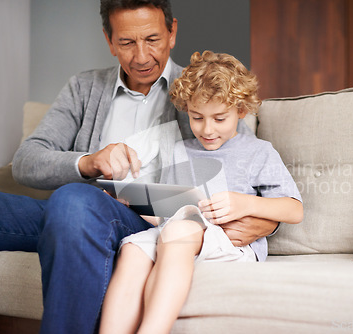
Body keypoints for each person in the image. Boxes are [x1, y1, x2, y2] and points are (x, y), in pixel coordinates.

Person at [0, 1, 279, 333]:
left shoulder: (200, 92)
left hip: (148, 220)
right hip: (73, 217)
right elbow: (27, 161)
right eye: (127, 42)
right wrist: (88, 162)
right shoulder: (84, 88)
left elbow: (245, 166)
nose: (141, 56)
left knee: (74, 200)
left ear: (173, 33)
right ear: (109, 40)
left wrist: (265, 221)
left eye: (153, 39)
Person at [98, 51, 304, 334]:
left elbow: (294, 209)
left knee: (178, 232)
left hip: (230, 244)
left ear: (241, 111)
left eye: (220, 119)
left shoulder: (258, 151)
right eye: (197, 118)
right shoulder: (179, 150)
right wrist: (132, 201)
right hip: (178, 235)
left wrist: (245, 203)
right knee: (134, 249)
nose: (207, 129)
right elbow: (166, 218)